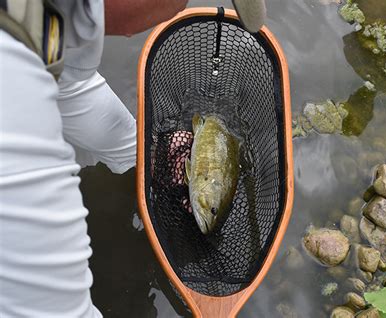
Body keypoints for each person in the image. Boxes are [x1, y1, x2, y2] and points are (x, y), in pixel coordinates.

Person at [0, 0, 265, 316]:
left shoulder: (36, 14)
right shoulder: (13, 115)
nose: (177, 8)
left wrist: (144, 155)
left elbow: (68, 86)